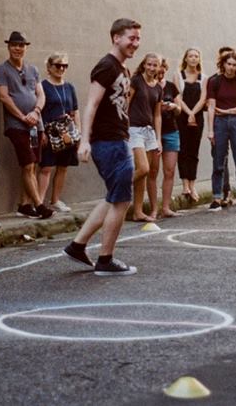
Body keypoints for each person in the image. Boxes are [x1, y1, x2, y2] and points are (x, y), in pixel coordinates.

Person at [63, 18, 142, 276]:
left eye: (138, 38)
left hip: (118, 140)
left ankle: (77, 245)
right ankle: (105, 260)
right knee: (121, 200)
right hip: (107, 142)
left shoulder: (122, 68)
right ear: (115, 37)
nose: (135, 43)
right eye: (131, 38)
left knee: (113, 197)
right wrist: (84, 140)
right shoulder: (106, 66)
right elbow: (92, 105)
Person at [0, 31, 53, 219]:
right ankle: (39, 205)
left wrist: (36, 114)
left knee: (32, 164)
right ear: (8, 47)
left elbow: (40, 95)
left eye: (21, 45)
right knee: (27, 165)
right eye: (14, 45)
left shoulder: (33, 70)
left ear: (26, 47)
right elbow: (4, 97)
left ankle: (24, 204)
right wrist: (22, 116)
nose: (18, 48)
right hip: (16, 125)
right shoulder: (2, 71)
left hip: (35, 124)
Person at [206, 50, 236, 212]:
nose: (231, 68)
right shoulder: (214, 82)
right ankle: (217, 198)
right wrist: (210, 130)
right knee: (218, 161)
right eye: (229, 64)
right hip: (219, 124)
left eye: (234, 65)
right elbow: (211, 107)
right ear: (223, 64)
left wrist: (227, 111)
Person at [37, 52, 80, 213]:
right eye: (57, 65)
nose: (61, 68)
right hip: (50, 133)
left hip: (67, 133)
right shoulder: (43, 86)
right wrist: (42, 132)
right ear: (49, 67)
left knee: (63, 167)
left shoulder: (69, 87)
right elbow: (39, 110)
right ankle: (39, 202)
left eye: (64, 65)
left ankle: (55, 200)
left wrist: (79, 133)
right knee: (46, 167)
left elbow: (75, 110)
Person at [127, 52, 162, 222]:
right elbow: (125, 104)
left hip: (149, 132)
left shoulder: (158, 87)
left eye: (155, 65)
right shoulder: (136, 81)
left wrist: (158, 139)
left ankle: (138, 211)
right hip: (134, 129)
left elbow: (157, 115)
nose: (151, 68)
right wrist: (123, 128)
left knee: (143, 175)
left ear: (159, 67)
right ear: (144, 64)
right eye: (149, 64)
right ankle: (117, 188)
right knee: (143, 168)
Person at [175, 47, 206, 203]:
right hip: (182, 116)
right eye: (191, 56)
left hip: (197, 117)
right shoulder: (178, 76)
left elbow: (203, 99)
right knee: (183, 150)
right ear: (185, 59)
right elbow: (177, 98)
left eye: (196, 56)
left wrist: (194, 114)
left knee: (194, 151)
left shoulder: (203, 78)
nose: (193, 58)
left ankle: (193, 185)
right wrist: (189, 113)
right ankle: (185, 185)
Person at [151, 57, 181, 218]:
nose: (160, 72)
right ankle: (154, 208)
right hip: (153, 132)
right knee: (153, 172)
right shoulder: (148, 85)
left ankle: (166, 207)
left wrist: (173, 106)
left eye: (163, 69)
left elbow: (180, 110)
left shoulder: (171, 87)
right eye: (158, 69)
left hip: (171, 131)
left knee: (169, 170)